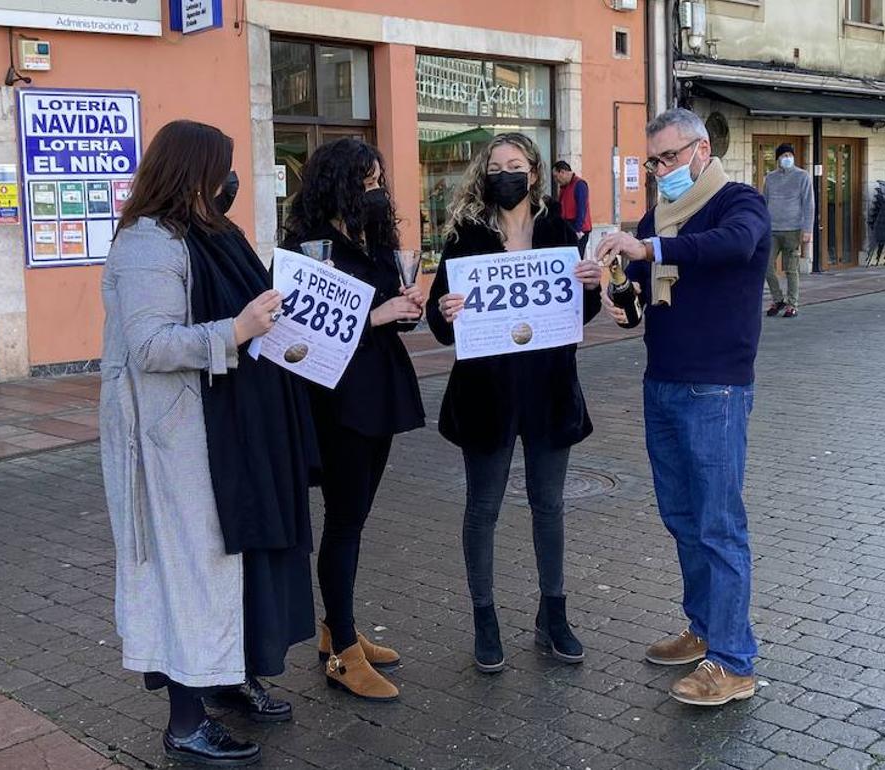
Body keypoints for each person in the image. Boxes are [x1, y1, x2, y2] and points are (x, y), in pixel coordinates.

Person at [100, 120, 320, 766]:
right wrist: (239, 329)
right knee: (185, 572)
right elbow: (150, 345)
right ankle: (185, 721)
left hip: (221, 428)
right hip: (168, 440)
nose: (230, 181)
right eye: (220, 168)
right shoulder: (148, 245)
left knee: (230, 561)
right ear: (191, 172)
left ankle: (228, 677)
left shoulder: (205, 233)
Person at [598, 108, 771, 707]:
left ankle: (734, 661)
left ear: (701, 150)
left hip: (717, 387)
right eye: (652, 162)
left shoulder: (738, 201)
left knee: (720, 526)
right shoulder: (659, 218)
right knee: (683, 518)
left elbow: (731, 246)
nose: (660, 171)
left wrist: (646, 246)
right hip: (664, 382)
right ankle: (703, 629)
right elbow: (642, 298)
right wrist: (618, 291)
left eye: (668, 158)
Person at [427, 133, 604, 674]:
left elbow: (581, 310)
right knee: (483, 508)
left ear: (533, 173)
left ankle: (554, 614)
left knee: (550, 506)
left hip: (549, 391)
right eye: (497, 166)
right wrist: (447, 308)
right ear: (486, 175)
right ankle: (486, 618)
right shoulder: (465, 235)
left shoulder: (558, 230)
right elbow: (439, 324)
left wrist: (591, 285)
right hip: (487, 395)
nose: (507, 174)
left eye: (516, 165)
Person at [282, 138, 426, 701]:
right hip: (336, 399)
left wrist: (405, 308)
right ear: (335, 183)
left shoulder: (371, 235)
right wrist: (377, 314)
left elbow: (390, 310)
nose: (375, 190)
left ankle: (335, 629)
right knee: (343, 521)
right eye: (364, 181)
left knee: (356, 520)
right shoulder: (306, 246)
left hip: (380, 392)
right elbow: (300, 329)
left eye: (377, 180)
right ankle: (341, 651)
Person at [761, 143, 813, 318]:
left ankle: (793, 304)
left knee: (791, 269)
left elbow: (808, 204)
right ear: (778, 159)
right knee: (766, 266)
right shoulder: (770, 178)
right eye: (783, 156)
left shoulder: (802, 176)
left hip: (793, 229)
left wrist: (807, 229)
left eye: (790, 155)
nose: (787, 159)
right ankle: (778, 299)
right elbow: (764, 202)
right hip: (772, 230)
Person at [553, 160, 593, 256]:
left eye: (556, 176)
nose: (555, 180)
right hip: (568, 226)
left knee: (576, 257)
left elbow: (581, 208)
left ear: (562, 172)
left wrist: (578, 230)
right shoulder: (564, 187)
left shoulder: (579, 184)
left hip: (578, 227)